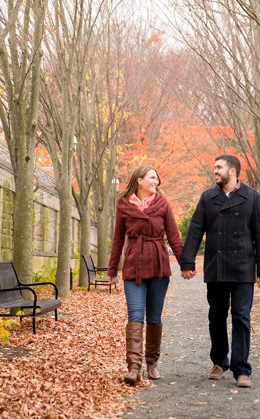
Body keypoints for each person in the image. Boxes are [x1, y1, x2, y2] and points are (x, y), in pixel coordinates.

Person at [179, 154, 260, 389]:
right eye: (214, 168)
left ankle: (242, 369)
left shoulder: (251, 197)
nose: (215, 171)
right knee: (216, 317)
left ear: (233, 171)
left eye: (219, 167)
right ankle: (219, 362)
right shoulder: (208, 198)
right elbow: (195, 230)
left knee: (241, 317)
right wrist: (187, 262)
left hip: (243, 269)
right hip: (216, 268)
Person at [107, 165, 184, 385]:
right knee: (135, 315)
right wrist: (113, 270)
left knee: (155, 317)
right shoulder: (123, 205)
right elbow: (117, 240)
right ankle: (133, 367)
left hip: (159, 266)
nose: (156, 181)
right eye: (152, 177)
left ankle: (152, 363)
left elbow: (174, 236)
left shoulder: (162, 204)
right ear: (139, 180)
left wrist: (185, 264)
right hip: (134, 267)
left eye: (157, 178)